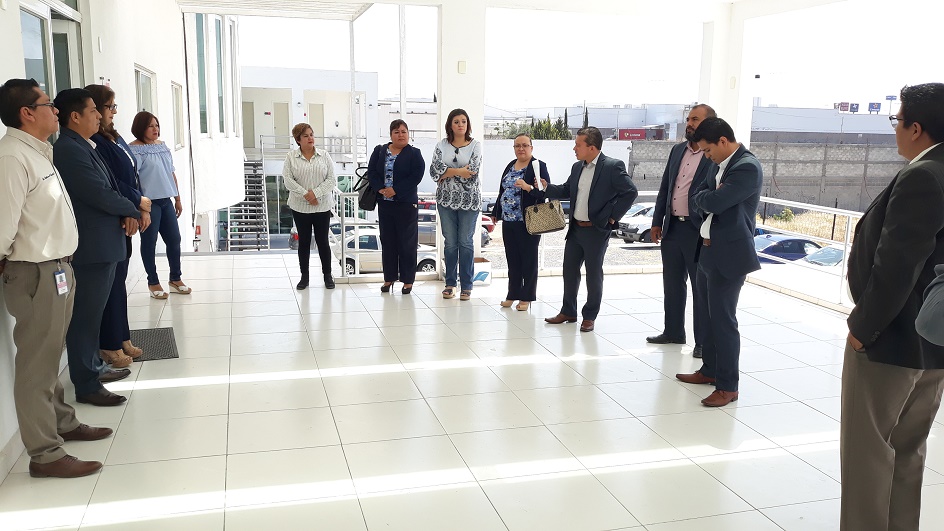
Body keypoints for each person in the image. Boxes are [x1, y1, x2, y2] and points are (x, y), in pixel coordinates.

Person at [840, 83, 944, 531]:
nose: (896, 129)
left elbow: (897, 265)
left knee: (868, 454)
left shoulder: (924, 176)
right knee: (908, 449)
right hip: (933, 340)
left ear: (916, 128)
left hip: (892, 340)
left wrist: (863, 329)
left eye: (897, 120)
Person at [0, 78, 114, 478]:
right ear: (26, 113)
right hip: (35, 272)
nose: (55, 111)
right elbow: (3, 225)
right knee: (37, 365)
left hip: (59, 268)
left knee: (50, 357)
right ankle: (45, 455)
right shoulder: (13, 157)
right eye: (48, 104)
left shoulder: (39, 152)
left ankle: (62, 422)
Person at [53, 88, 141, 407]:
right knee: (85, 318)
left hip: (102, 244)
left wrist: (128, 207)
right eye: (93, 111)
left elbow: (109, 186)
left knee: (93, 314)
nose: (99, 116)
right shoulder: (68, 149)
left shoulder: (83, 144)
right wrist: (133, 208)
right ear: (75, 116)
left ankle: (94, 368)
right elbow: (98, 193)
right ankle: (88, 384)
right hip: (91, 248)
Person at [675, 117, 762, 407]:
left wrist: (708, 198)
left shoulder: (747, 167)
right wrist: (709, 196)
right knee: (707, 316)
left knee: (724, 321)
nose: (706, 156)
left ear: (723, 141)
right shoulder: (717, 164)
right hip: (707, 250)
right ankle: (709, 370)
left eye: (708, 150)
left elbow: (713, 202)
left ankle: (728, 386)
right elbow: (696, 194)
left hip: (729, 255)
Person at [541, 126, 638, 332]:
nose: (574, 148)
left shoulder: (612, 166)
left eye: (578, 145)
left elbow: (630, 192)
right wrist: (546, 187)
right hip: (576, 229)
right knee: (569, 271)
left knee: (593, 274)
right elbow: (567, 190)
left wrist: (613, 216)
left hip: (597, 230)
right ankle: (568, 311)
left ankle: (589, 316)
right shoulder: (577, 167)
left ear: (592, 147)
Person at [86, 84, 151, 368]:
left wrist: (139, 205)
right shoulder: (94, 142)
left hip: (127, 210)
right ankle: (109, 343)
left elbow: (131, 173)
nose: (113, 111)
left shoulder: (113, 136)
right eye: (109, 106)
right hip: (114, 216)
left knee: (119, 281)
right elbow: (111, 182)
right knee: (110, 285)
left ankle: (121, 336)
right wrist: (135, 204)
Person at [647, 104, 718, 358]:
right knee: (672, 284)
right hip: (672, 228)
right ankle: (674, 331)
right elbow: (666, 187)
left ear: (709, 123)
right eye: (688, 119)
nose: (689, 123)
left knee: (700, 289)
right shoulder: (678, 150)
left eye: (695, 119)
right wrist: (657, 220)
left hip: (697, 231)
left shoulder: (712, 155)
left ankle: (702, 342)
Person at [128, 111, 191, 299]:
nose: (155, 129)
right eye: (150, 126)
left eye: (157, 125)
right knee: (149, 243)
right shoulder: (134, 150)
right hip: (149, 203)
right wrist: (142, 208)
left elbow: (171, 173)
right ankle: (153, 282)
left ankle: (175, 278)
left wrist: (177, 199)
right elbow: (133, 181)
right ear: (140, 128)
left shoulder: (162, 146)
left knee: (174, 239)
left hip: (166, 201)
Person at [490, 133, 551, 311]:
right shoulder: (510, 165)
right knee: (513, 259)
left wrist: (528, 187)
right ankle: (513, 294)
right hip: (509, 221)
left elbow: (545, 192)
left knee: (528, 260)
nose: (521, 149)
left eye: (525, 145)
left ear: (531, 147)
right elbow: (502, 191)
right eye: (517, 146)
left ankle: (527, 297)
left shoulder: (538, 166)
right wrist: (496, 212)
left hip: (529, 221)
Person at [367, 119, 425, 294]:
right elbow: (372, 172)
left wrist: (396, 190)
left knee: (407, 243)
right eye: (396, 132)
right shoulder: (380, 151)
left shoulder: (414, 153)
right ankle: (389, 278)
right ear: (390, 135)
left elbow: (416, 176)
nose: (401, 135)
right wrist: (381, 189)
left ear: (408, 134)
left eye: (403, 131)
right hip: (385, 204)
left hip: (406, 204)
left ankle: (408, 280)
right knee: (388, 242)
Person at [430, 108, 482, 301]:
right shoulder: (441, 145)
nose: (461, 125)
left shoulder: (475, 145)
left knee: (465, 242)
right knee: (450, 243)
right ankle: (450, 283)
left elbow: (473, 172)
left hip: (470, 201)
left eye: (463, 121)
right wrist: (460, 171)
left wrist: (447, 172)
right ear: (450, 125)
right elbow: (434, 171)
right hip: (445, 200)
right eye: (456, 122)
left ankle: (467, 285)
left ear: (468, 124)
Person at [282, 122, 337, 290]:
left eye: (311, 134)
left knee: (323, 242)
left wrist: (315, 194)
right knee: (304, 242)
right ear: (298, 140)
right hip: (300, 207)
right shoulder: (291, 157)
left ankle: (327, 276)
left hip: (322, 206)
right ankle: (304, 277)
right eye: (305, 136)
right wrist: (306, 195)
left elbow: (331, 180)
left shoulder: (324, 155)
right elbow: (288, 181)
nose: (310, 138)